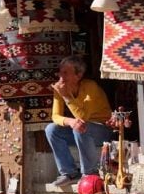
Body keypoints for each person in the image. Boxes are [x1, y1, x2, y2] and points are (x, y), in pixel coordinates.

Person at [45, 55, 114, 187]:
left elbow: (83, 116)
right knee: (51, 129)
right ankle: (69, 173)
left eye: (65, 72)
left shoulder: (90, 87)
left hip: (102, 130)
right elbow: (55, 116)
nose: (61, 75)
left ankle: (89, 172)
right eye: (60, 71)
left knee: (80, 127)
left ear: (79, 75)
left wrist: (66, 96)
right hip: (82, 131)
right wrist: (70, 121)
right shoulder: (60, 89)